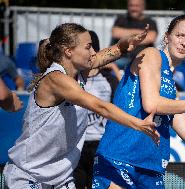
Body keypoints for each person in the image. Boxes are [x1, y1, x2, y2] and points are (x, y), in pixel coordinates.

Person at [3, 23, 159, 189]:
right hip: (28, 174)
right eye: (88, 47)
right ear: (68, 51)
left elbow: (105, 55)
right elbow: (100, 107)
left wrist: (123, 44)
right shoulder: (55, 78)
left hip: (60, 178)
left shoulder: (78, 70)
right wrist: (138, 123)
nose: (93, 52)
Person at [92, 14, 185, 189]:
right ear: (166, 37)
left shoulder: (172, 89)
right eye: (179, 35)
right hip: (120, 158)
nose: (184, 42)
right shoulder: (151, 54)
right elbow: (151, 103)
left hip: (151, 168)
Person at [73, 30, 121, 189]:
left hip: (100, 146)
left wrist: (114, 69)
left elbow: (120, 108)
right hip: (75, 146)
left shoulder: (109, 80)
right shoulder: (71, 79)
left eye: (91, 48)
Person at [110, 0, 158, 68]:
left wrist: (126, 35)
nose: (133, 8)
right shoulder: (121, 19)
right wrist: (141, 34)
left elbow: (151, 38)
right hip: (121, 58)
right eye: (131, 5)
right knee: (108, 64)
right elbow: (116, 33)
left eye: (136, 6)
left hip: (143, 58)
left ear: (143, 7)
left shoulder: (150, 22)